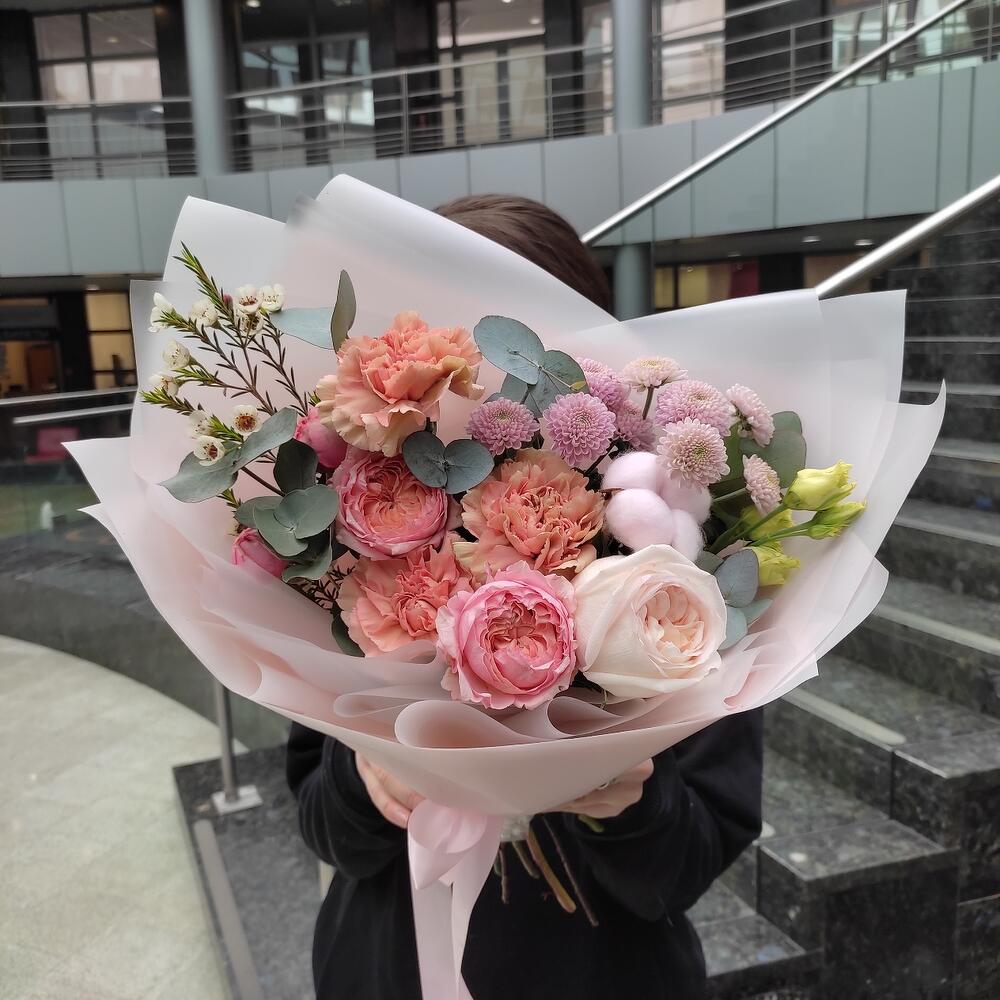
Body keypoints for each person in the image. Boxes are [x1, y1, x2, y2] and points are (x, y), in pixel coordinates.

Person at [286, 194, 764, 1000]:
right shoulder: (352, 545)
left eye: (516, 349)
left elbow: (689, 862)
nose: (479, 384)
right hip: (385, 964)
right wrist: (365, 780)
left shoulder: (679, 565)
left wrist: (630, 799)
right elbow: (317, 816)